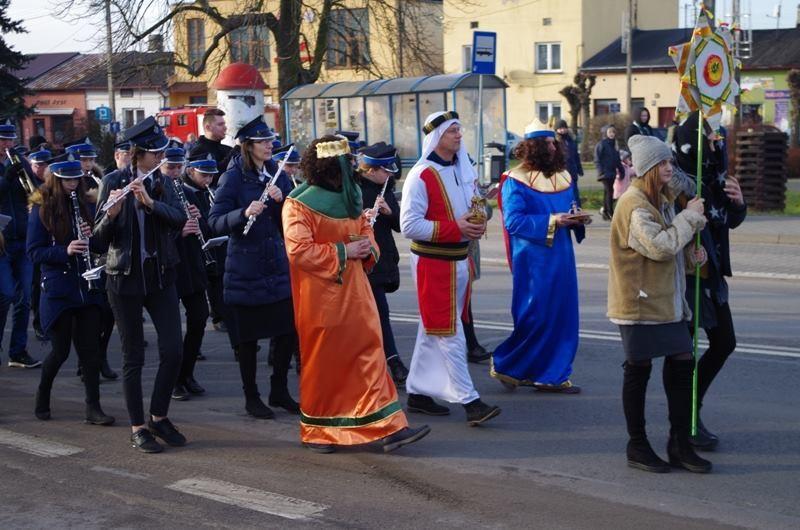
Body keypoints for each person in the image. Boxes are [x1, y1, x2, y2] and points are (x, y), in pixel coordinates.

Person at [283, 135, 430, 454]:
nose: (350, 170)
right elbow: (298, 251)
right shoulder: (298, 202)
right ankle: (319, 430)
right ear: (325, 167)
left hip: (358, 295)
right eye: (344, 165)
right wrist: (344, 250)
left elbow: (366, 232)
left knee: (371, 355)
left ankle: (389, 427)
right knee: (325, 364)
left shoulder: (350, 198)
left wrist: (367, 248)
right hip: (320, 300)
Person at [608, 134, 711, 473]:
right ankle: (637, 445)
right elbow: (659, 247)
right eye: (664, 163)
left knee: (682, 365)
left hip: (668, 304)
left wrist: (692, 257)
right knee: (638, 372)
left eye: (670, 161)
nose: (670, 168)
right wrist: (690, 218)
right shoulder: (634, 204)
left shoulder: (662, 199)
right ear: (649, 168)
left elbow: (670, 254)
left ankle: (679, 443)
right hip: (639, 306)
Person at [399, 110, 501, 426]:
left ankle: (416, 393)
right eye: (452, 131)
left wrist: (480, 216)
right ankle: (470, 401)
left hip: (458, 259)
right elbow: (408, 225)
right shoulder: (421, 175)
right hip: (434, 261)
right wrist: (455, 227)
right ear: (437, 137)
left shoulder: (462, 167)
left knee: (435, 328)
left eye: (459, 129)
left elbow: (472, 207)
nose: (459, 135)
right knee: (449, 331)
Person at [93, 116, 188, 453]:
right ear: (139, 154)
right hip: (124, 279)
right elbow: (97, 242)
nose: (162, 158)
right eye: (156, 153)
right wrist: (113, 214)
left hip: (161, 276)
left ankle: (159, 416)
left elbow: (180, 219)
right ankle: (138, 427)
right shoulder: (111, 181)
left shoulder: (162, 183)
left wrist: (151, 203)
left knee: (173, 350)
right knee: (133, 355)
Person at [208, 116, 299, 419]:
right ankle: (252, 396)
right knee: (248, 340)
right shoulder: (233, 177)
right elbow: (214, 221)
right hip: (245, 268)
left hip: (275, 264)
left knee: (287, 332)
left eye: (270, 140)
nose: (270, 145)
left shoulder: (276, 173)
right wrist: (243, 212)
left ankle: (279, 389)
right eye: (263, 142)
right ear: (249, 146)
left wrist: (282, 199)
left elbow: (291, 216)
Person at [490, 121, 585, 394]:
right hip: (534, 260)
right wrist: (555, 220)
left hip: (562, 256)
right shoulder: (514, 180)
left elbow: (569, 208)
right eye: (550, 143)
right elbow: (514, 222)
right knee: (538, 316)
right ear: (536, 147)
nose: (556, 147)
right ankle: (510, 365)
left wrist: (576, 217)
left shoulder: (564, 176)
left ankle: (552, 374)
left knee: (563, 314)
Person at [671, 112, 747, 450]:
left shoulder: (714, 175)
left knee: (725, 342)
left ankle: (693, 408)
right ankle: (683, 425)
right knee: (682, 354)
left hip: (712, 273)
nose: (716, 146)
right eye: (710, 140)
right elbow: (667, 229)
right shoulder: (675, 179)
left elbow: (728, 220)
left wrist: (739, 202)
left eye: (717, 139)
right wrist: (689, 247)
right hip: (685, 277)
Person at [27, 156, 114, 425]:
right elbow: (34, 252)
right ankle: (43, 395)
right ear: (57, 180)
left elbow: (100, 246)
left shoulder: (86, 204)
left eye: (76, 179)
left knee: (90, 352)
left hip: (86, 286)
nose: (73, 184)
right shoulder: (43, 209)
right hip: (59, 289)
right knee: (60, 351)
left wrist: (94, 234)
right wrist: (64, 250)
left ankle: (93, 408)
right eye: (68, 180)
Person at [159, 144, 210, 401]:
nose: (176, 172)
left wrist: (199, 218)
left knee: (200, 316)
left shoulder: (189, 192)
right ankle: (174, 380)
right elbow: (154, 234)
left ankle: (187, 372)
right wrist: (180, 232)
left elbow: (207, 227)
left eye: (179, 167)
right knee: (171, 329)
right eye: (171, 167)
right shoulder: (155, 192)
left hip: (191, 264)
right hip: (170, 266)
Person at [357, 142, 410, 386]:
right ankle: (393, 361)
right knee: (376, 315)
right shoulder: (354, 189)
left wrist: (389, 212)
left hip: (384, 260)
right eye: (385, 170)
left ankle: (386, 361)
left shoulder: (385, 188)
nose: (390, 175)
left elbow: (401, 225)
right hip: (363, 261)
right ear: (370, 170)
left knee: (379, 314)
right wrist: (363, 218)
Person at [0, 119, 40, 368]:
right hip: (1, 242)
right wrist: (6, 179)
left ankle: (18, 351)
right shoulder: (7, 169)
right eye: (4, 140)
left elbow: (35, 192)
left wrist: (33, 191)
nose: (8, 144)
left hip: (23, 239)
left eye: (11, 139)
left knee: (25, 298)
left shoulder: (19, 161)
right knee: (5, 294)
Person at [27, 148, 51, 342]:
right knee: (35, 284)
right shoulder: (26, 183)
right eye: (38, 165)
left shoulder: (52, 183)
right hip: (30, 238)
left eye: (44, 164)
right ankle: (39, 323)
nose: (42, 168)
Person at [190, 108, 232, 184]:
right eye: (220, 124)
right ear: (208, 127)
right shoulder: (198, 150)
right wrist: (235, 151)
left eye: (224, 124)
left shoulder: (227, 149)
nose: (225, 128)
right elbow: (214, 176)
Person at [594, 124, 624, 221]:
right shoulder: (602, 144)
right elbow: (597, 159)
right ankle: (611, 212)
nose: (612, 134)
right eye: (610, 132)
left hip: (612, 172)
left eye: (613, 132)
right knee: (610, 191)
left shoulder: (614, 145)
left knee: (607, 192)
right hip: (605, 173)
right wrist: (600, 171)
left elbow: (617, 160)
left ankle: (605, 211)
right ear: (606, 133)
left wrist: (621, 170)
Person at [556, 119, 584, 205]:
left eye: (564, 128)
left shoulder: (571, 141)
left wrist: (579, 169)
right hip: (561, 172)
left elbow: (576, 156)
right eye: (560, 128)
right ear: (557, 130)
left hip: (572, 170)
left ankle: (577, 210)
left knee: (574, 193)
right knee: (563, 193)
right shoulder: (556, 142)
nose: (563, 130)